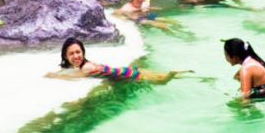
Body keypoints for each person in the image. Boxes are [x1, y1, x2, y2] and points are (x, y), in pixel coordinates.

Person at [47, 37, 189, 84]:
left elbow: (76, 78)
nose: (76, 56)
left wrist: (54, 76)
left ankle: (172, 74)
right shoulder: (85, 65)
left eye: (78, 52)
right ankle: (189, 76)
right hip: (127, 71)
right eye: (71, 54)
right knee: (160, 76)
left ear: (83, 53)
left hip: (129, 75)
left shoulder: (86, 68)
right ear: (65, 56)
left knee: (162, 81)